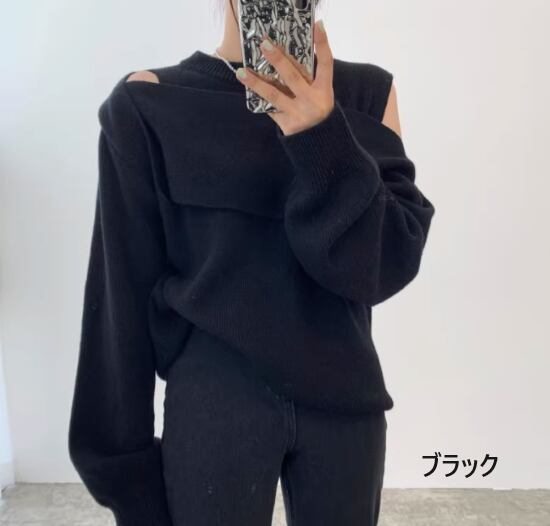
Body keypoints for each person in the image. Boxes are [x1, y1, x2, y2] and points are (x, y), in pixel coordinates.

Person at [68, 1, 435, 525]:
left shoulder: (365, 95)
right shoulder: (152, 102)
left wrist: (322, 135)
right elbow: (119, 301)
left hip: (345, 399)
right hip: (215, 401)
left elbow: (385, 266)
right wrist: (125, 474)